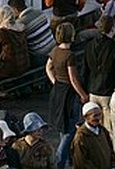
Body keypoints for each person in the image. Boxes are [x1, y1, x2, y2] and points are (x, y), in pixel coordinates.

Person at [46, 22, 87, 169]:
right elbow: (73, 78)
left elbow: (48, 67)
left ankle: (68, 160)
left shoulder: (55, 51)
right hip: (69, 93)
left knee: (63, 127)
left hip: (58, 90)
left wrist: (54, 81)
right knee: (69, 129)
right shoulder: (70, 55)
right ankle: (60, 162)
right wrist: (83, 94)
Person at [71, 102, 115, 169]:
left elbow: (110, 149)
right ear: (86, 117)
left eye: (99, 115)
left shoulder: (102, 130)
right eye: (95, 116)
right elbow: (81, 161)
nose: (98, 118)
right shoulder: (81, 137)